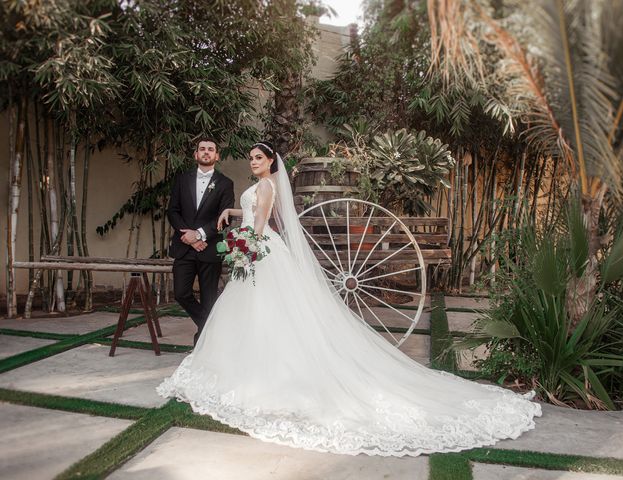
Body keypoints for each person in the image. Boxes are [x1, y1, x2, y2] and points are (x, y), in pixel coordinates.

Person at [158, 141, 541, 456]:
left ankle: (270, 370)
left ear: (271, 161)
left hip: (260, 250)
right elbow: (252, 210)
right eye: (252, 159)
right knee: (249, 312)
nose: (254, 163)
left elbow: (262, 223)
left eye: (259, 158)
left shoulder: (269, 185)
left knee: (268, 313)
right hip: (255, 249)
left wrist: (248, 246)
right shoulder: (258, 187)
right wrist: (231, 210)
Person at [167, 137, 234, 346]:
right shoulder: (181, 179)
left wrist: (200, 235)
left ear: (217, 156)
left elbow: (226, 217)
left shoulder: (225, 183)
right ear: (195, 155)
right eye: (202, 149)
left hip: (209, 248)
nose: (206, 152)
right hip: (184, 248)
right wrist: (188, 237)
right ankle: (210, 327)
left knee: (209, 299)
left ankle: (202, 342)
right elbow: (173, 211)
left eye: (211, 149)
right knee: (181, 293)